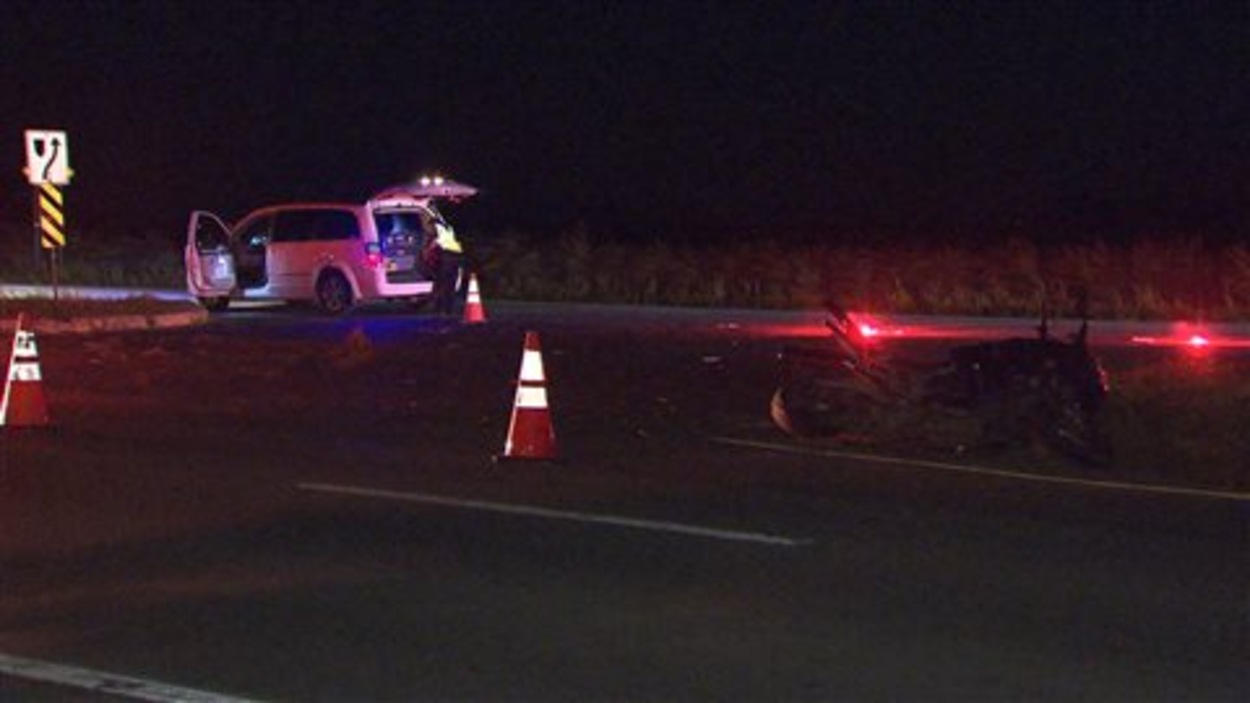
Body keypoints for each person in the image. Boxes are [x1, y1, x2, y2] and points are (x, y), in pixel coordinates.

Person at [426, 211, 465, 316]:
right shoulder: (449, 228)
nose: (428, 229)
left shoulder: (439, 230)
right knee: (449, 285)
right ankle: (447, 310)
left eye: (429, 226)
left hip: (448, 258)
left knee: (442, 285)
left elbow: (434, 245)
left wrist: (428, 252)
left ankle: (440, 310)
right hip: (456, 257)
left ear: (434, 225)